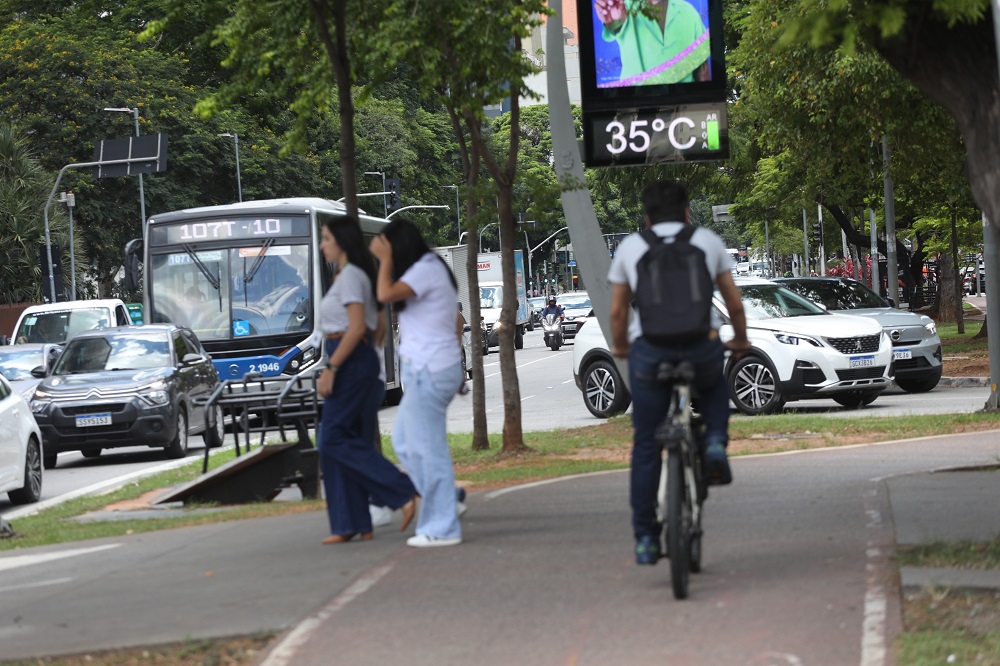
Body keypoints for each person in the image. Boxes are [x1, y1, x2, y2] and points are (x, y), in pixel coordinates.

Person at [608, 179, 750, 565]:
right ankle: (716, 441)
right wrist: (739, 340)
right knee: (715, 388)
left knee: (646, 445)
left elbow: (619, 311)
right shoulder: (707, 241)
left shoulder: (631, 248)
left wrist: (621, 347)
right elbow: (734, 304)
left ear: (646, 216)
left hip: (650, 353)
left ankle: (646, 540)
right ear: (688, 211)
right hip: (700, 345)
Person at [316, 216, 417, 545]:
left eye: (326, 239)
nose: (322, 245)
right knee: (351, 442)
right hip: (357, 360)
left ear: (342, 241)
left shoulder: (351, 277)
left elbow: (358, 327)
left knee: (330, 439)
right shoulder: (349, 276)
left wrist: (332, 367)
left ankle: (401, 492)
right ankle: (353, 522)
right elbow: (375, 325)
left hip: (348, 361)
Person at [370, 218, 465, 548]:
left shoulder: (425, 269)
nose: (386, 257)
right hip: (431, 370)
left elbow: (383, 293)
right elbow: (453, 320)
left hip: (430, 371)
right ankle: (448, 500)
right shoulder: (427, 269)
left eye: (387, 249)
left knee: (427, 450)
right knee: (406, 444)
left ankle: (443, 526)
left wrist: (382, 260)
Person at [594, 0, 711, 86]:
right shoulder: (623, 7)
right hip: (634, 107)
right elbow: (615, 24)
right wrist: (615, 22)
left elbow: (702, 70)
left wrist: (706, 107)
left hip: (685, 109)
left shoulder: (688, 12)